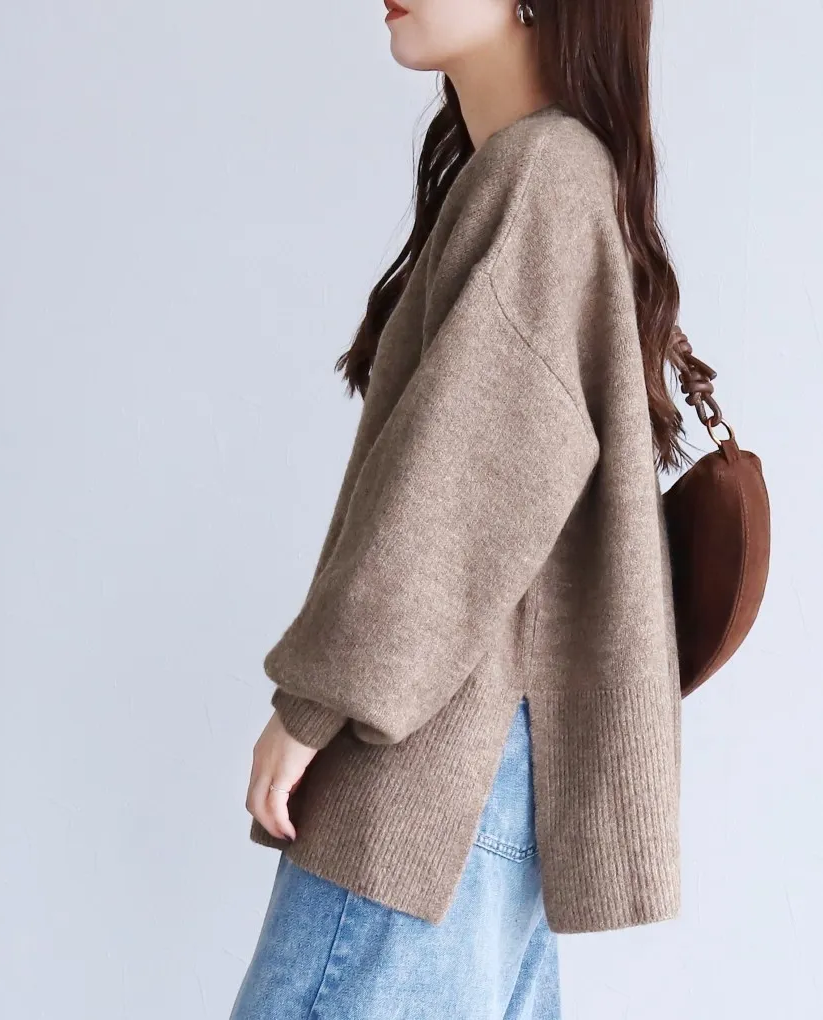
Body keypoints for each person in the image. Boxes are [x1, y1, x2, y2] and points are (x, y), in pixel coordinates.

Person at [231, 0, 686, 1016]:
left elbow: (462, 485)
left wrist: (313, 700)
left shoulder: (543, 174)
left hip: (436, 776)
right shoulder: (540, 172)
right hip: (484, 776)